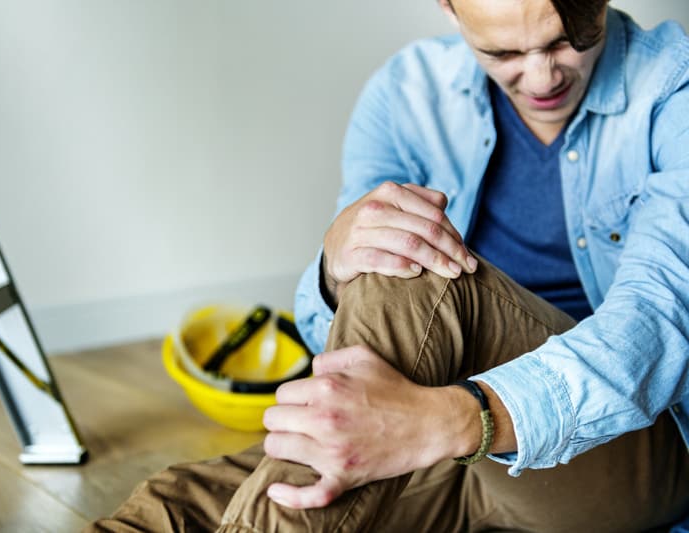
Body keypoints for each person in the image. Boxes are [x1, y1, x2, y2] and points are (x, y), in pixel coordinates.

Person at [89, 0, 689, 530]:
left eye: (564, 41)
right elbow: (352, 337)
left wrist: (456, 419)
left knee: (416, 271)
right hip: (441, 447)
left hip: (622, 447)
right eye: (502, 51)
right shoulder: (406, 93)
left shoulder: (671, 87)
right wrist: (333, 269)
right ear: (449, 9)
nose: (540, 76)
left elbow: (660, 326)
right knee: (177, 505)